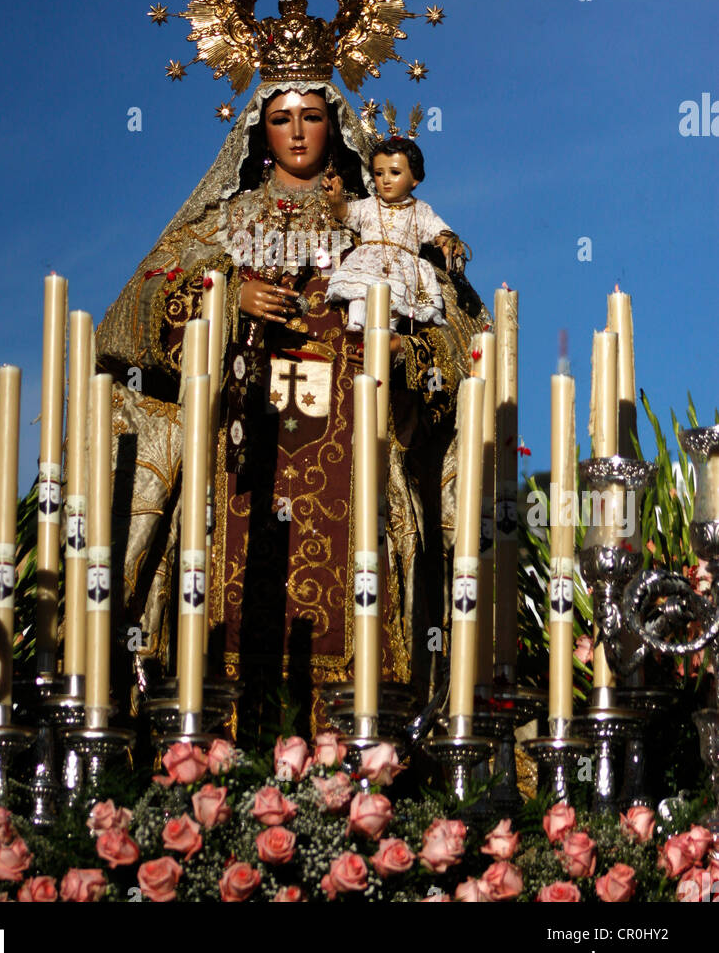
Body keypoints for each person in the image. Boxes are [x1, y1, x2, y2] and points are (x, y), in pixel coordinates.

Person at [96, 78, 489, 740]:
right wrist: (224, 300)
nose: (299, 132)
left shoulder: (381, 219)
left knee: (366, 591)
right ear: (259, 130)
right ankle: (211, 755)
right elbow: (126, 325)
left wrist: (399, 352)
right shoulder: (219, 224)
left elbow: (461, 338)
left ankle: (363, 754)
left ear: (335, 125)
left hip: (357, 467)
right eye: (282, 118)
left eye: (312, 116)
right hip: (237, 469)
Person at [323, 135, 467, 332]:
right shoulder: (369, 205)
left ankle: (386, 331)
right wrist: (337, 200)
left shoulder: (421, 210)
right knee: (360, 289)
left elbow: (438, 231)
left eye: (395, 172)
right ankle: (356, 321)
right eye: (379, 173)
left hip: (402, 266)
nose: (386, 180)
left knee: (395, 297)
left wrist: (448, 242)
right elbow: (345, 214)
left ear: (415, 178)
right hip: (368, 260)